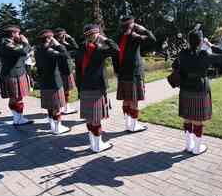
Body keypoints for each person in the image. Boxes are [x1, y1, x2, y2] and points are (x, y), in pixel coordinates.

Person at [172, 30, 222, 155]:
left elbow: (174, 65)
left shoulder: (182, 53)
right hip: (199, 89)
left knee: (187, 117)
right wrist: (211, 45)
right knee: (197, 119)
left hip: (185, 88)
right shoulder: (204, 54)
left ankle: (188, 145)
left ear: (188, 40)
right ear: (201, 41)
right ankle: (196, 148)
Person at [80, 24, 119, 152]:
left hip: (84, 86)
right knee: (96, 119)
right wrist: (105, 39)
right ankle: (97, 146)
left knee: (90, 118)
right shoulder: (99, 49)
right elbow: (116, 50)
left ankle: (93, 143)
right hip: (96, 87)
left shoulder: (82, 47)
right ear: (96, 34)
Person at [114, 16, 156, 132]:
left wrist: (116, 70)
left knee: (126, 99)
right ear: (132, 25)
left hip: (122, 73)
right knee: (134, 100)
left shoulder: (118, 37)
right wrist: (144, 29)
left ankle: (128, 123)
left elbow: (114, 56)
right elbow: (152, 39)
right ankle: (133, 126)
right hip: (134, 73)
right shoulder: (135, 37)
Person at [35, 29, 71, 134]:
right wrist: (58, 44)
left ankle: (52, 126)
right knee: (56, 106)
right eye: (52, 38)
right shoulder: (49, 50)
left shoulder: (38, 50)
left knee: (50, 106)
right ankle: (58, 128)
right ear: (49, 38)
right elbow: (65, 55)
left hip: (44, 81)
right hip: (54, 82)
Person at [0, 25, 34, 126]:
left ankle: (18, 118)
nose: (19, 35)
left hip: (15, 73)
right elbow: (23, 51)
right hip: (13, 74)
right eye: (18, 33)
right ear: (13, 33)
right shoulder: (6, 43)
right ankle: (18, 118)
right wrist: (26, 42)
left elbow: (20, 54)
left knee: (16, 97)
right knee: (16, 97)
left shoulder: (7, 42)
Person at [54, 28, 79, 115]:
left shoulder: (64, 44)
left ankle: (65, 107)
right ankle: (63, 108)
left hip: (66, 69)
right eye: (63, 35)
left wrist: (71, 39)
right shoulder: (56, 45)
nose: (64, 36)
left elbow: (76, 49)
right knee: (63, 90)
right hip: (61, 70)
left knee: (66, 90)